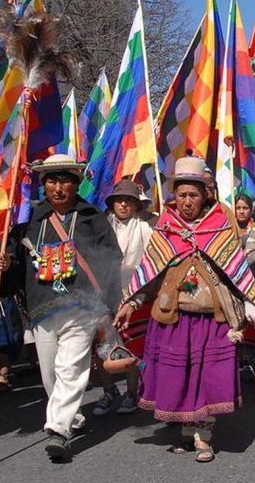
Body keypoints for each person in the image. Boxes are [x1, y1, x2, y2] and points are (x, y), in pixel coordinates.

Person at [115, 155, 255, 463]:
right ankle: (185, 429)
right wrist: (132, 302)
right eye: (182, 195)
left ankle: (203, 434)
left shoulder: (220, 225)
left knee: (207, 376)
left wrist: (251, 304)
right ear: (174, 196)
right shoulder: (166, 227)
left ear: (205, 195)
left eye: (194, 194)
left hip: (212, 319)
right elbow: (150, 273)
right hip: (173, 316)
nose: (187, 201)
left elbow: (234, 269)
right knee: (177, 374)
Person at [0, 154, 123, 461]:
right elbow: (14, 257)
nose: (57, 187)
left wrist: (108, 302)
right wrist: (6, 262)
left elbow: (111, 261)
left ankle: (58, 430)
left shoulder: (92, 217)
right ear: (44, 184)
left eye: (65, 180)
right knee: (51, 374)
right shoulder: (30, 218)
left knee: (70, 368)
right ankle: (71, 417)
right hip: (41, 307)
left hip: (82, 307)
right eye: (51, 180)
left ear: (77, 183)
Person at [91, 179, 155, 417]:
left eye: (129, 200)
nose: (124, 204)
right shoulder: (102, 226)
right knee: (101, 346)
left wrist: (138, 293)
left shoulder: (146, 227)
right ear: (112, 203)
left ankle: (131, 392)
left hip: (136, 293)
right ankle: (109, 391)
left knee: (132, 345)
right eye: (119, 199)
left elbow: (152, 259)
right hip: (103, 294)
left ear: (137, 204)